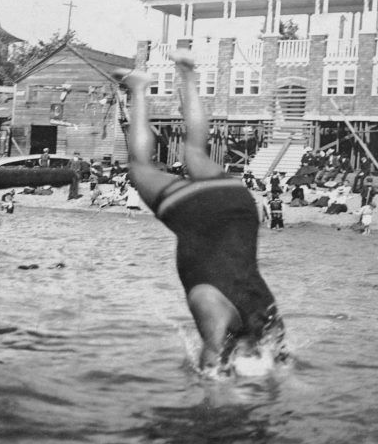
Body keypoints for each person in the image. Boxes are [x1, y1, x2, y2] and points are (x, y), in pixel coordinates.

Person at [114, 50, 285, 372]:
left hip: (238, 201)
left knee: (193, 149)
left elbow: (282, 370)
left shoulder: (268, 318)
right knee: (139, 166)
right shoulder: (215, 312)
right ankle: (138, 88)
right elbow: (212, 368)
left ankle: (188, 73)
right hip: (197, 210)